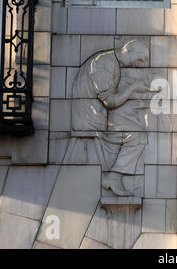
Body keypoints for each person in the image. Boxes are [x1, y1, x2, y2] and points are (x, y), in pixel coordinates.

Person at [65, 40, 151, 197]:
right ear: (128, 50)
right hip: (91, 120)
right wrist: (132, 89)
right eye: (139, 59)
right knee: (138, 135)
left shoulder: (110, 61)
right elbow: (110, 102)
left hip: (98, 114)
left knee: (135, 122)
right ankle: (114, 176)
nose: (138, 64)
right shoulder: (103, 64)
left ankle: (114, 175)